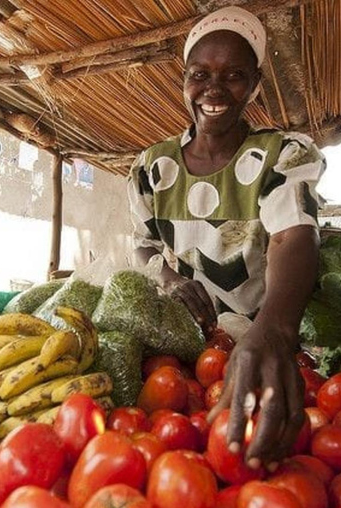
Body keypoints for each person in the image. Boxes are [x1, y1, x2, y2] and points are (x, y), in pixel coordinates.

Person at [127, 6, 326, 471]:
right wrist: (172, 281)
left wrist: (274, 330)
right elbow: (143, 244)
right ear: (184, 82)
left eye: (234, 75)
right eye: (200, 74)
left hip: (267, 343)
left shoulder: (282, 154)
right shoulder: (150, 168)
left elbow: (293, 235)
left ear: (255, 84)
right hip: (185, 352)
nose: (213, 89)